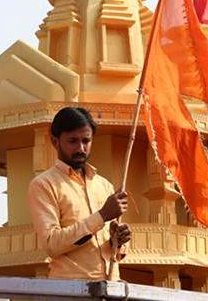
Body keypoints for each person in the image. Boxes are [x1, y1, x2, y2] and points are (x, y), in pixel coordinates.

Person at [27, 107, 132, 281]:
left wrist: (119, 241)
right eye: (73, 141)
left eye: (86, 141)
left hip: (111, 286)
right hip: (72, 289)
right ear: (55, 141)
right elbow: (52, 244)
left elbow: (112, 250)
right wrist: (101, 216)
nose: (81, 148)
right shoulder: (44, 185)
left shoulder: (104, 185)